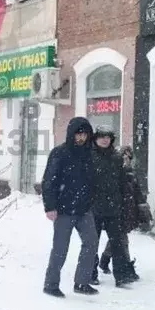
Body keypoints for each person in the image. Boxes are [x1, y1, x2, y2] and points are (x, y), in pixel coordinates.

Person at [41, 117, 100, 297]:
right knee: (60, 248)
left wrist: (92, 199)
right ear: (71, 134)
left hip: (84, 209)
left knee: (91, 242)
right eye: (78, 134)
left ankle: (82, 282)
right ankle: (51, 285)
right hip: (63, 209)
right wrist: (50, 206)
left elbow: (93, 180)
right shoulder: (60, 153)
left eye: (85, 134)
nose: (81, 138)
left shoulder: (90, 154)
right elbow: (49, 181)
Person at [89, 126, 134, 287]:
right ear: (95, 138)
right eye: (101, 136)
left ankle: (121, 276)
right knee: (91, 243)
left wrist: (123, 203)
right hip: (93, 208)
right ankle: (90, 274)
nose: (105, 139)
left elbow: (122, 182)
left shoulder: (116, 158)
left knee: (117, 243)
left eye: (108, 137)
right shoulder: (89, 156)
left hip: (113, 208)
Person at [99, 146, 150, 278]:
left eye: (128, 157)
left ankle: (104, 260)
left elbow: (137, 192)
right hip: (116, 211)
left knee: (117, 238)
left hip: (128, 211)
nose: (126, 160)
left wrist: (142, 207)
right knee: (122, 240)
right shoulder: (114, 172)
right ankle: (127, 267)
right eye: (123, 157)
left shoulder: (131, 173)